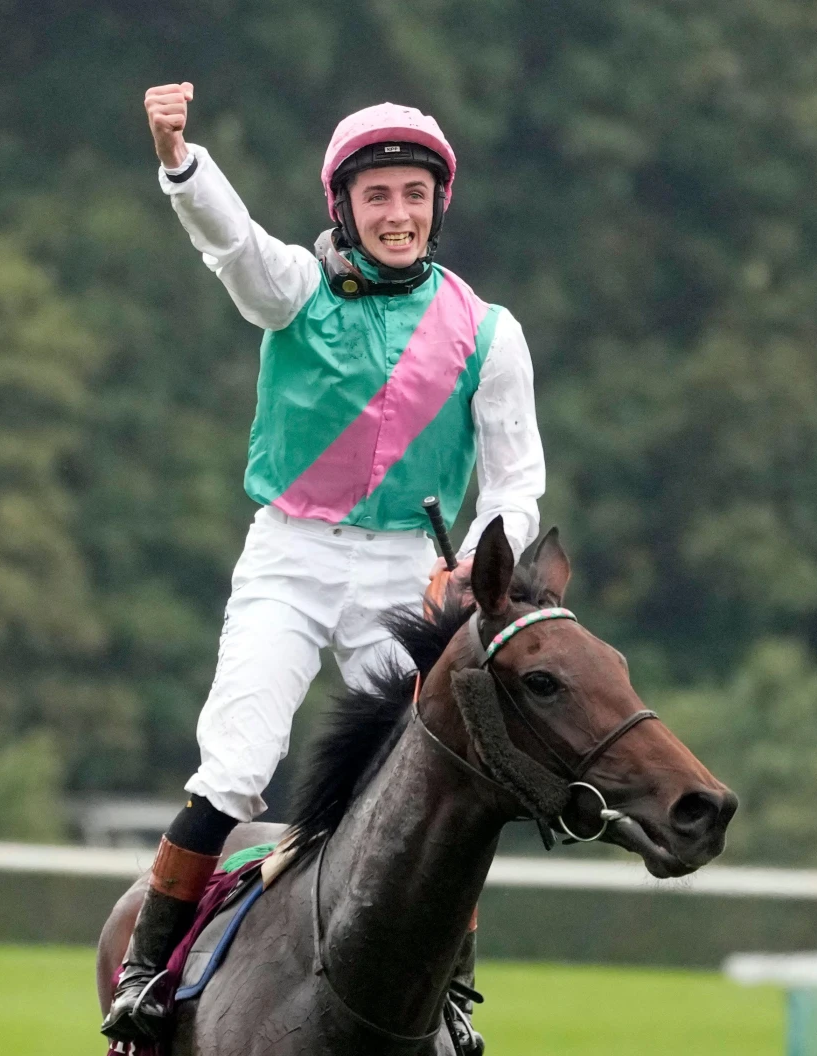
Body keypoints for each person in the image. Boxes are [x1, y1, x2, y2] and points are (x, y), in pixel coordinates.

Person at [100, 82, 545, 1052]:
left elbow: (517, 487)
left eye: (413, 196)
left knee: (438, 782)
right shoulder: (294, 291)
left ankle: (452, 995)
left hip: (404, 578)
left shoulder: (487, 331)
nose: (397, 215)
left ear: (437, 205)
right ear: (343, 207)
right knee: (236, 767)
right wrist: (181, 160)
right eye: (377, 196)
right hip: (291, 558)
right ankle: (145, 973)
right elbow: (234, 246)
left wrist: (469, 565)